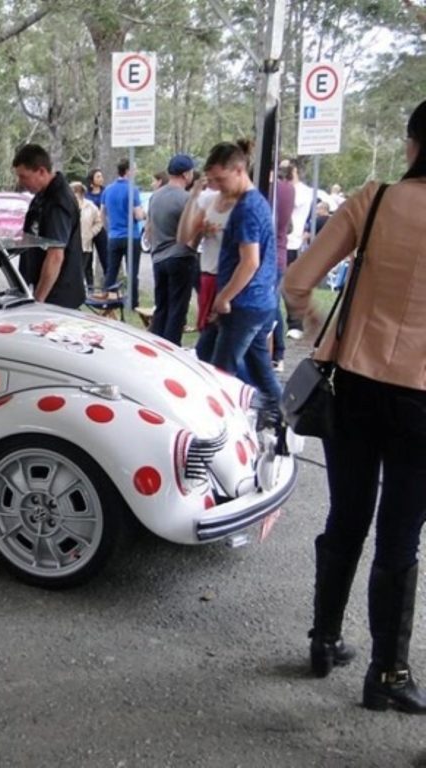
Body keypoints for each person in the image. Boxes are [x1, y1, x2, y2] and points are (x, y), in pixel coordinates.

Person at [282, 100, 426, 714]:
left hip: (355, 387)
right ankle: (387, 674)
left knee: (346, 516)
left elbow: (297, 282)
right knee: (400, 538)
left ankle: (324, 639)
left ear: (413, 140)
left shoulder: (374, 199)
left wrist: (321, 329)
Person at [202, 140, 280, 421]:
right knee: (260, 370)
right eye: (212, 180)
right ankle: (282, 415)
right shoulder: (252, 202)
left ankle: (219, 424)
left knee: (221, 373)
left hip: (245, 304)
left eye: (220, 179)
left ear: (238, 170)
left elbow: (250, 262)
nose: (217, 186)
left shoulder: (248, 208)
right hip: (257, 302)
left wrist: (223, 298)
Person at [11, 144, 85, 309]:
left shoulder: (59, 201)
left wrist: (38, 301)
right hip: (38, 287)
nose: (21, 183)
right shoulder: (41, 196)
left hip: (57, 297)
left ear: (42, 172)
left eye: (24, 177)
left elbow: (55, 256)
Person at [179, 169, 238, 336]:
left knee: (221, 337)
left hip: (228, 278)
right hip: (208, 273)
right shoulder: (207, 200)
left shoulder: (243, 205)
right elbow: (185, 238)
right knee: (206, 334)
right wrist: (193, 197)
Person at [147, 154, 197, 344]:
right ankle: (171, 349)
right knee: (177, 310)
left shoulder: (155, 196)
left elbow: (149, 229)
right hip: (180, 257)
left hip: (158, 258)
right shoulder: (186, 199)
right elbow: (191, 233)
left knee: (162, 307)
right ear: (186, 174)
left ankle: (156, 346)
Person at [100, 158, 146, 307]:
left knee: (111, 270)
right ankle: (133, 303)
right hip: (131, 236)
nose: (137, 172)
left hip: (114, 236)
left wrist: (109, 229)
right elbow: (138, 215)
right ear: (128, 171)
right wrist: (145, 215)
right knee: (132, 272)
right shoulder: (133, 189)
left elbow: (102, 213)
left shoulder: (108, 189)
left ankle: (108, 299)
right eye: (135, 169)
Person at [283, 159, 315, 339]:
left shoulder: (302, 192)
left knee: (291, 285)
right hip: (281, 241)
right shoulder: (282, 188)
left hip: (293, 242)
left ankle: (296, 323)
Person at [271, 168, 296, 373]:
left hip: (269, 256)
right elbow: (288, 227)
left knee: (270, 306)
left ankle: (277, 352)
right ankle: (277, 352)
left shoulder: (268, 191)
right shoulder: (289, 190)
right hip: (280, 254)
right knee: (273, 304)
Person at [69, 180, 103, 292]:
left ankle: (90, 291)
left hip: (85, 243)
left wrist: (91, 233)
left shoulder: (90, 206)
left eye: (75, 192)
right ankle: (74, 292)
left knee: (86, 268)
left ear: (81, 193)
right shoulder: (68, 206)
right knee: (72, 270)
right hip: (70, 244)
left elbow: (99, 222)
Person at [85, 168, 108, 285]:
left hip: (100, 227)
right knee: (88, 259)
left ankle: (108, 285)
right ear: (92, 179)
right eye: (98, 176)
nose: (101, 179)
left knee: (105, 256)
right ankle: (90, 287)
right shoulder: (86, 194)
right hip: (88, 228)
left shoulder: (105, 192)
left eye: (101, 176)